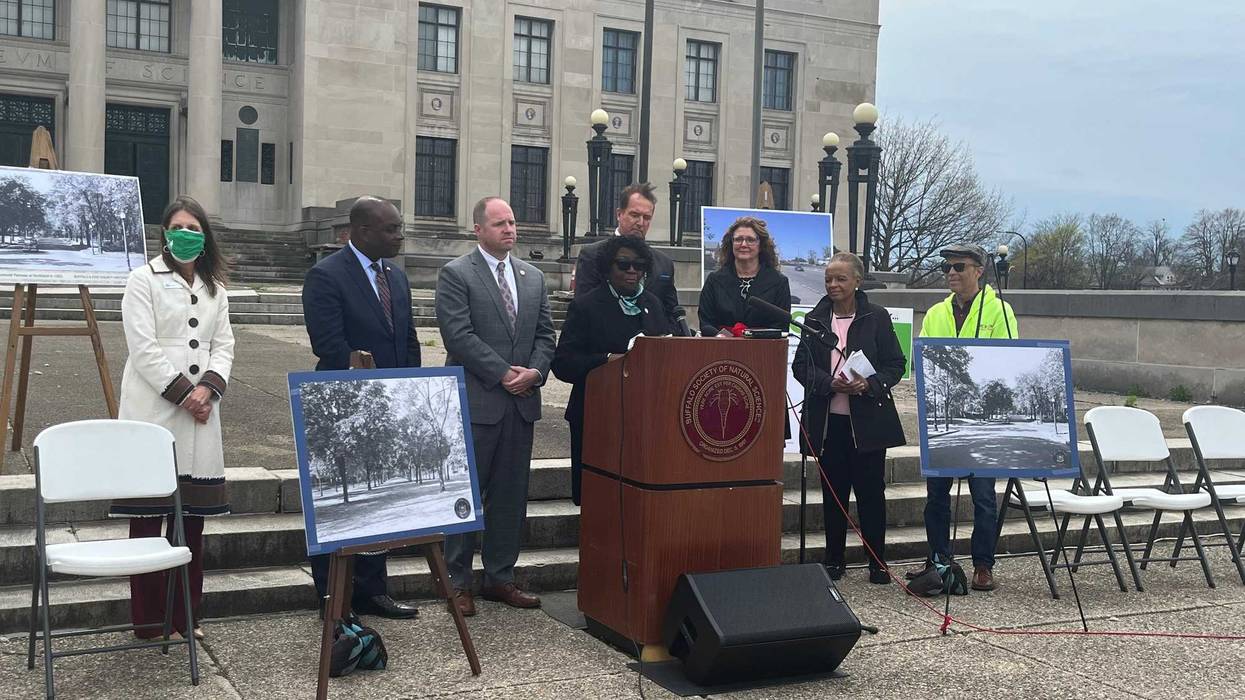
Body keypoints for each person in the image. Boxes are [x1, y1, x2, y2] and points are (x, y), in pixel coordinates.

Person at [111, 195, 235, 641]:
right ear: (164, 232)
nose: (186, 234)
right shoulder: (141, 279)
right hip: (155, 409)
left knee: (192, 523)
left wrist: (209, 389)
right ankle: (147, 620)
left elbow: (224, 344)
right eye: (178, 227)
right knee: (148, 519)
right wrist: (186, 394)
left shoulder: (214, 287)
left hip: (201, 414)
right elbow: (142, 348)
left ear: (205, 236)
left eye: (194, 228)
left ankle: (186, 616)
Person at [302, 196, 421, 619]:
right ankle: (333, 598)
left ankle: (373, 590)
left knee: (378, 501)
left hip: (388, 404)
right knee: (339, 505)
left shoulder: (397, 277)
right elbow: (328, 345)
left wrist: (408, 387)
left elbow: (407, 338)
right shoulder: (326, 276)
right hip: (342, 403)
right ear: (363, 232)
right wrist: (364, 378)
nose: (399, 236)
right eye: (391, 229)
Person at [436, 196, 556, 617]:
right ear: (478, 230)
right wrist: (504, 373)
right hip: (477, 402)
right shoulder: (456, 274)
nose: (510, 229)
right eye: (500, 223)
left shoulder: (533, 277)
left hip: (520, 406)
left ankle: (500, 577)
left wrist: (536, 373)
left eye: (512, 221)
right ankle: (457, 582)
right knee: (466, 494)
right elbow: (458, 335)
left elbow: (545, 335)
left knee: (510, 496)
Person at [910, 243, 1019, 592]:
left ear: (979, 271)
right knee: (936, 496)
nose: (951, 274)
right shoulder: (936, 313)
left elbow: (1009, 363)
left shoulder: (1000, 311)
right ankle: (939, 559)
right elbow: (924, 359)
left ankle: (983, 564)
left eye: (958, 267)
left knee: (983, 497)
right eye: (947, 269)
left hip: (982, 419)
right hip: (943, 414)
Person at [793, 252, 906, 585]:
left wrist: (868, 384)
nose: (833, 284)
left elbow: (895, 364)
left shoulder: (877, 317)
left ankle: (876, 561)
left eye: (840, 278)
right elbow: (802, 366)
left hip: (868, 422)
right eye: (829, 278)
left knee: (871, 492)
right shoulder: (815, 319)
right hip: (830, 423)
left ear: (857, 281)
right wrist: (830, 384)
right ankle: (834, 560)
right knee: (834, 494)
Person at [552, 236, 674, 505]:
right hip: (597, 417)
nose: (632, 272)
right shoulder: (586, 306)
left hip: (643, 420)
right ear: (608, 267)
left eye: (639, 266)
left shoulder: (652, 304)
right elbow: (563, 363)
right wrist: (607, 360)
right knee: (599, 500)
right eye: (624, 265)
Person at [573, 183, 681, 326]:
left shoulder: (664, 263)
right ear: (619, 214)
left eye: (647, 217)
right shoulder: (593, 255)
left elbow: (672, 313)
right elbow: (583, 308)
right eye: (634, 215)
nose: (640, 223)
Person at [697, 216, 792, 336]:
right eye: (738, 239)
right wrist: (722, 338)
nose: (743, 244)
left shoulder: (778, 282)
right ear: (731, 243)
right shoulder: (714, 280)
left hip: (763, 350)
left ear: (761, 245)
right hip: (721, 350)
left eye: (750, 240)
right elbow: (706, 321)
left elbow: (781, 325)